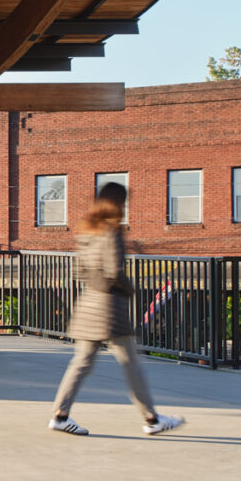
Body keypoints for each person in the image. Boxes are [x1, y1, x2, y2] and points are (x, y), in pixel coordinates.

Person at [49, 182, 184, 437]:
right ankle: (152, 419)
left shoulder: (86, 230)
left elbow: (80, 272)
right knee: (131, 363)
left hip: (88, 304)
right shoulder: (111, 231)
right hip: (110, 307)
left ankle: (60, 415)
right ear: (117, 203)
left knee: (81, 363)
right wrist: (130, 290)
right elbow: (114, 272)